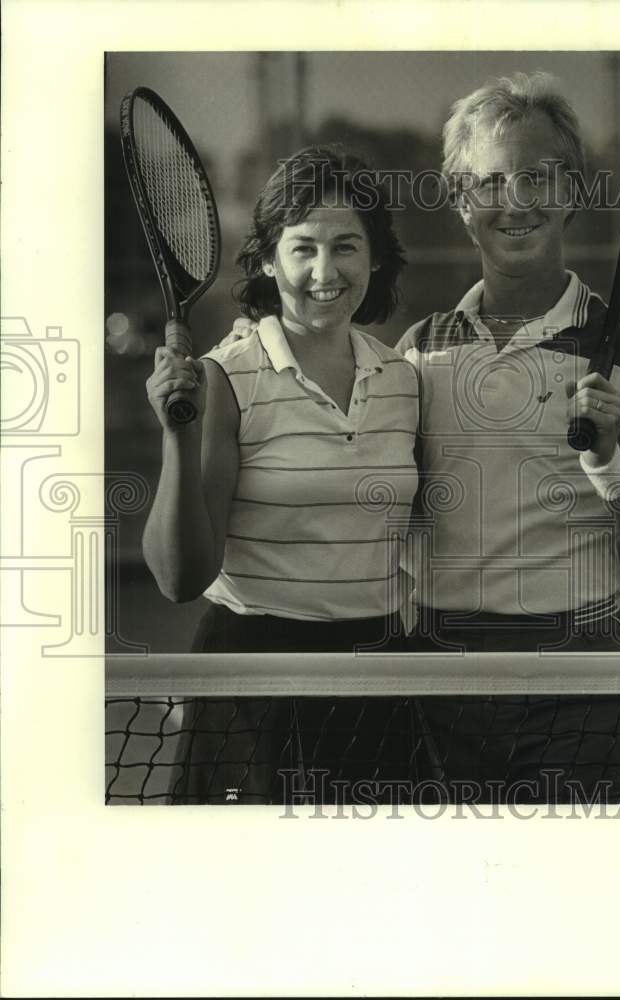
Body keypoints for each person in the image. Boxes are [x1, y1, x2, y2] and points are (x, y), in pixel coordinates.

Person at [397, 72, 620, 803]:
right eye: (491, 181)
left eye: (538, 176)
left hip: (582, 684)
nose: (517, 201)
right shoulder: (415, 353)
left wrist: (606, 463)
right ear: (463, 203)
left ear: (572, 191)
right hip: (439, 680)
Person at [142, 146, 420, 803]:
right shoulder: (226, 376)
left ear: (375, 257)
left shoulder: (404, 380)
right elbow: (181, 578)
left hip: (376, 679)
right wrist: (178, 440)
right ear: (269, 260)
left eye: (346, 246)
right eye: (303, 248)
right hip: (254, 685)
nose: (326, 271)